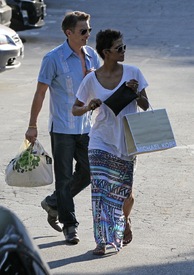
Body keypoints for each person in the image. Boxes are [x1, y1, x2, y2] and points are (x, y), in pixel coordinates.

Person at [25, 11, 100, 244]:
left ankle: (53, 203)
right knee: (64, 178)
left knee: (89, 172)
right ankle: (70, 225)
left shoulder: (91, 56)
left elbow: (102, 85)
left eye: (89, 29)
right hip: (63, 128)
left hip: (86, 127)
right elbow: (40, 94)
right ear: (69, 33)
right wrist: (32, 126)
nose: (88, 34)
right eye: (83, 31)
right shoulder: (53, 58)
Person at [72, 29, 149, 255]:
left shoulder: (133, 72)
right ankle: (102, 240)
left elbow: (146, 105)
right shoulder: (91, 79)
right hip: (100, 141)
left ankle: (123, 221)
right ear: (106, 52)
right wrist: (88, 106)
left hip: (126, 141)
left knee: (125, 194)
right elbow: (75, 109)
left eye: (124, 46)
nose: (124, 51)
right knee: (100, 191)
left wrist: (137, 94)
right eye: (119, 48)